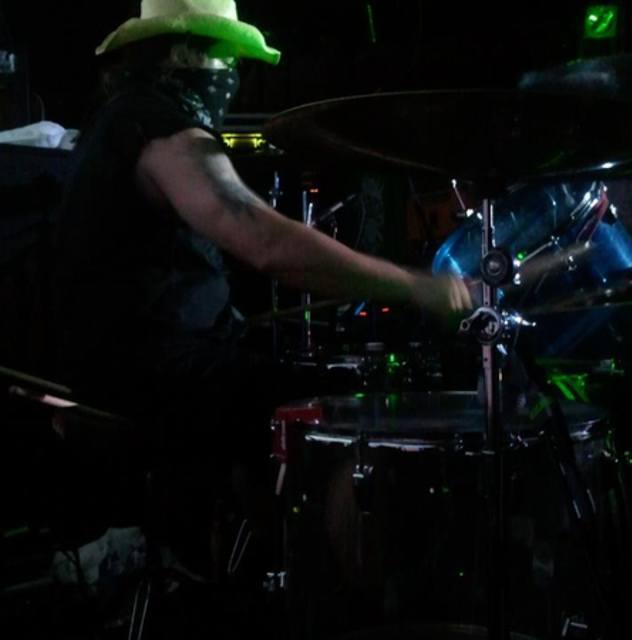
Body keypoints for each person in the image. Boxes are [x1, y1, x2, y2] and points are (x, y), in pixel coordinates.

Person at [54, 0, 471, 581]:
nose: (233, 75)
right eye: (227, 60)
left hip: (122, 361)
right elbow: (266, 243)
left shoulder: (116, 121)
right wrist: (417, 287)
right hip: (147, 372)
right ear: (185, 53)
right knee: (342, 412)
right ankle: (341, 602)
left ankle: (236, 571)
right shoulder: (162, 130)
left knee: (274, 383)